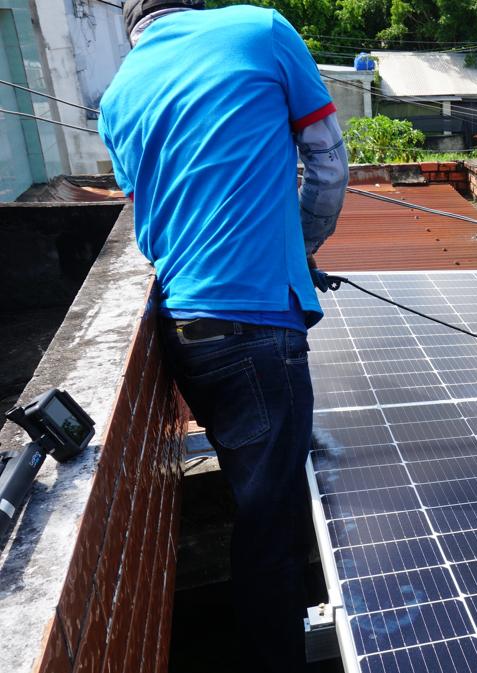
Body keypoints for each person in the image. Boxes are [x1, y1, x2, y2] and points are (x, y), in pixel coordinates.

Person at [99, 1, 348, 670]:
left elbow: (159, 205)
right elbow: (326, 165)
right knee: (270, 529)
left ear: (133, 25)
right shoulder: (260, 29)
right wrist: (302, 244)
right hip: (257, 334)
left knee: (255, 505)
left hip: (187, 337)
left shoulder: (118, 93)